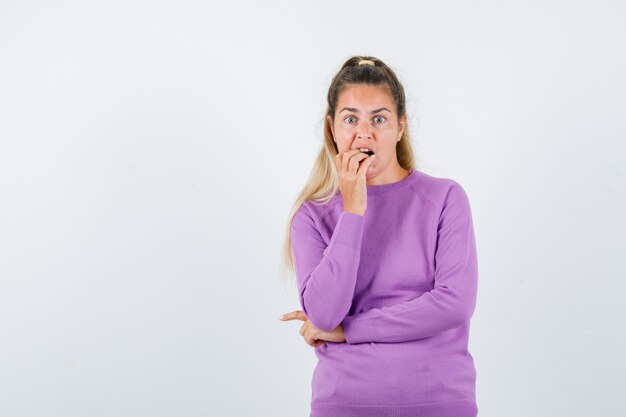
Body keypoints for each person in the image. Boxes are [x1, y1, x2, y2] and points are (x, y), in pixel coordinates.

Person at [279, 55, 479, 417]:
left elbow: (454, 304)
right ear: (332, 128)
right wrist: (353, 210)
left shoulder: (445, 198)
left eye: (380, 119)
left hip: (440, 403)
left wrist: (350, 329)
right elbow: (324, 315)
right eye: (351, 118)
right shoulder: (311, 215)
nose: (364, 133)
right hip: (344, 405)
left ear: (401, 126)